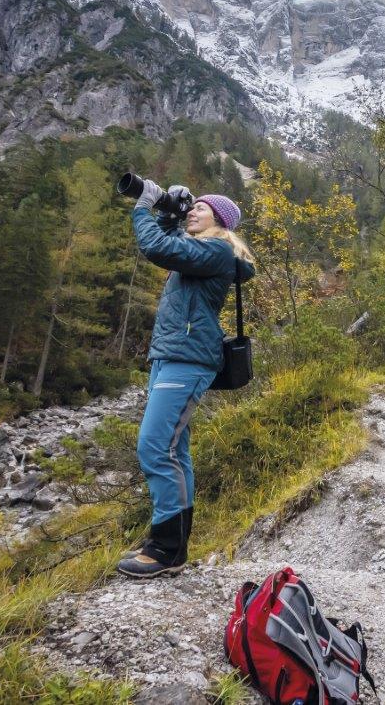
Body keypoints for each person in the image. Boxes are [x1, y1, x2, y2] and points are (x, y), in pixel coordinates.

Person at [117, 182, 255, 579]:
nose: (191, 211)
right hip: (170, 356)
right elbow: (171, 240)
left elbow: (158, 248)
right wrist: (166, 214)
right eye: (190, 207)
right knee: (175, 450)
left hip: (188, 359)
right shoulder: (201, 251)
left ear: (220, 221)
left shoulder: (216, 250)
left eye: (200, 209)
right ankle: (169, 541)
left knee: (155, 446)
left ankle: (167, 549)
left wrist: (143, 208)